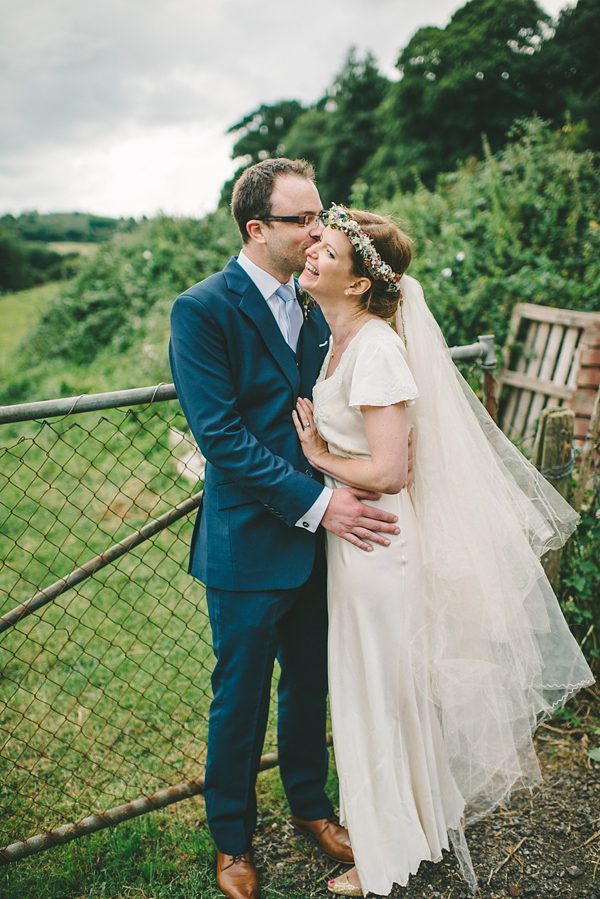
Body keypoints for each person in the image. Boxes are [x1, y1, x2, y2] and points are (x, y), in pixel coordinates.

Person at [292, 205, 595, 896]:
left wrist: (318, 454)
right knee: (383, 691)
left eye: (328, 251)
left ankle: (383, 851)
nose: (311, 253)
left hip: (379, 544)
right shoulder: (339, 340)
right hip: (359, 544)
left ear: (360, 283)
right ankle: (413, 826)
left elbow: (393, 470)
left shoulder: (374, 348)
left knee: (379, 695)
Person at [169, 161, 402, 899]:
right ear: (256, 227)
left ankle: (311, 807)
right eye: (301, 219)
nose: (316, 231)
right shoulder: (203, 309)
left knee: (310, 685)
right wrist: (319, 501)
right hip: (250, 540)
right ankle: (232, 840)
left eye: (317, 218)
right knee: (239, 695)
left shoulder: (314, 300)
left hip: (324, 543)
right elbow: (223, 438)